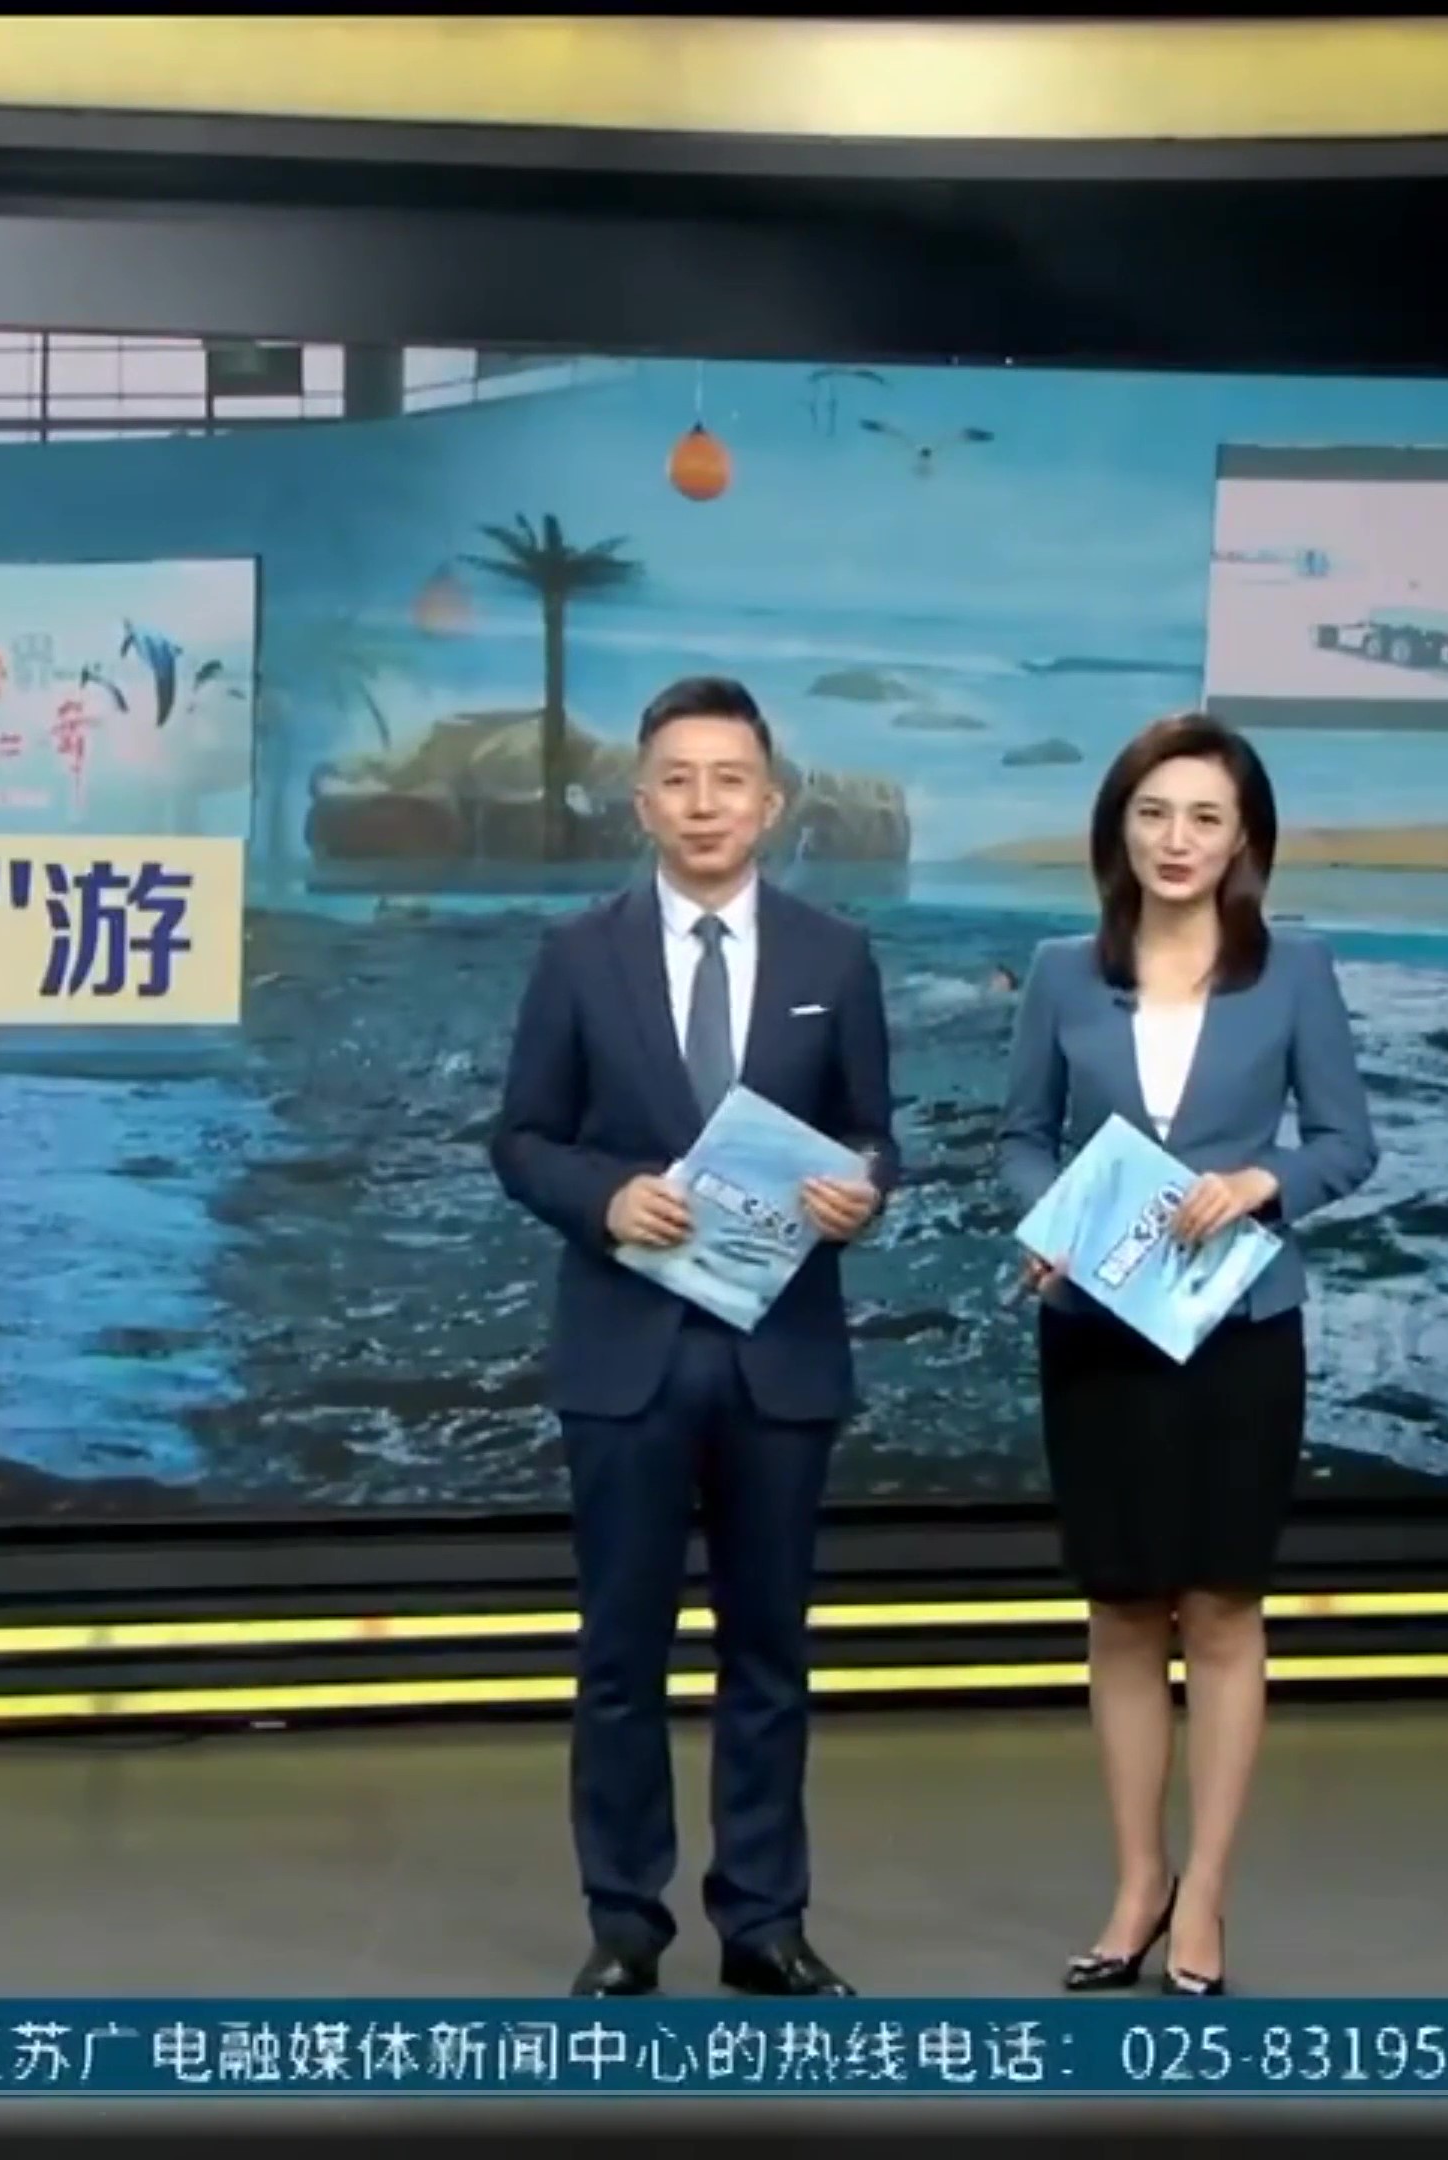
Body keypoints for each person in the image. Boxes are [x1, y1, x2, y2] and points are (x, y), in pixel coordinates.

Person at [488, 675, 901, 2001]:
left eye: (729, 780)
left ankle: (765, 1923)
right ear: (642, 802)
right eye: (678, 779)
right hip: (627, 1354)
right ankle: (624, 1923)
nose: (704, 803)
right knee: (620, 1656)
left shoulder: (835, 957)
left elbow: (874, 1132)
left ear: (771, 804)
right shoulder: (578, 955)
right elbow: (520, 1139)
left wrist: (865, 1188)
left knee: (768, 1654)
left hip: (780, 1353)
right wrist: (604, 1200)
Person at [997, 712, 1379, 1999]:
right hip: (1096, 1331)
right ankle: (1136, 1886)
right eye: (1153, 812)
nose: (1176, 839)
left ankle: (1204, 1894)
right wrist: (1050, 1224)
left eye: (1205, 817)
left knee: (1219, 1607)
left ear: (1244, 839)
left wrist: (1266, 1181)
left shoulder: (1294, 972)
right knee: (1120, 1608)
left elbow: (1348, 1142)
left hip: (1240, 1334)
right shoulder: (1062, 972)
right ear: (1118, 828)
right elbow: (1022, 1138)